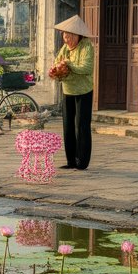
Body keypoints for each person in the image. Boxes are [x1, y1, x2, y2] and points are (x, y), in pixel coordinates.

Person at [50, 15, 95, 171]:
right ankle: (71, 161)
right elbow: (56, 63)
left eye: (69, 35)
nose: (66, 38)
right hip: (68, 91)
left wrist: (68, 64)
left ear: (78, 35)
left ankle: (82, 162)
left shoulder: (86, 46)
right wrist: (57, 69)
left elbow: (87, 68)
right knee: (67, 126)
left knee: (81, 126)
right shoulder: (64, 49)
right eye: (64, 35)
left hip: (83, 91)